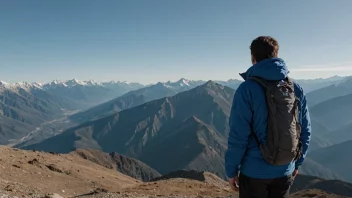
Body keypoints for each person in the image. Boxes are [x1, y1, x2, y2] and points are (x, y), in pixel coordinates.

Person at [225, 36, 311, 198]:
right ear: (276, 55)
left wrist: (231, 170)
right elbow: (305, 130)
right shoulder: (294, 88)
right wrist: (297, 162)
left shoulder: (247, 89)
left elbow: (238, 135)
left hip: (254, 172)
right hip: (286, 168)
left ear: (253, 58)